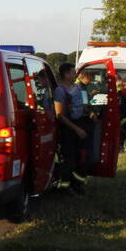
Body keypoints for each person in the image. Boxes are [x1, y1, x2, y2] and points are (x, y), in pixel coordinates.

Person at [54, 63, 91, 194]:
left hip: (80, 124)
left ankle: (77, 185)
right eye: (73, 72)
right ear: (66, 74)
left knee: (83, 157)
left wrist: (90, 112)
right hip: (68, 129)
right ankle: (64, 188)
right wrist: (76, 129)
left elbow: (81, 105)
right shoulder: (60, 90)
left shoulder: (77, 87)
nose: (76, 74)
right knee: (69, 159)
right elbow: (59, 115)